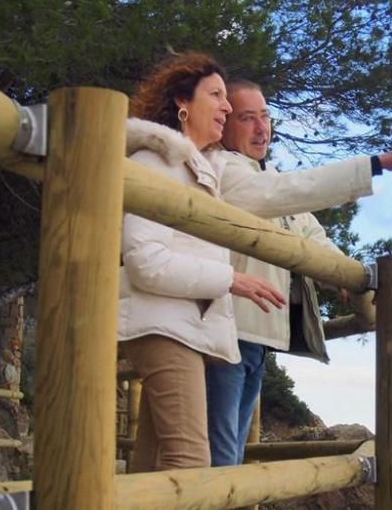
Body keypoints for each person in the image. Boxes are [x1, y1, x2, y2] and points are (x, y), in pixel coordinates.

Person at [206, 79, 392, 466]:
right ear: (225, 124)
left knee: (229, 456)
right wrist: (378, 163)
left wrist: (351, 276)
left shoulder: (270, 176)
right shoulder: (224, 170)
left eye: (265, 116)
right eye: (247, 118)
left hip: (254, 339)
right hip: (224, 333)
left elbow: (312, 236)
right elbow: (281, 193)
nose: (261, 128)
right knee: (219, 458)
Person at [120, 53, 287, 472]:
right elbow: (145, 261)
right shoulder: (155, 162)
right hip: (162, 326)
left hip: (179, 326)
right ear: (182, 102)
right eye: (216, 95)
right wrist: (231, 279)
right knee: (190, 463)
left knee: (152, 462)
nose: (227, 107)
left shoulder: (196, 171)